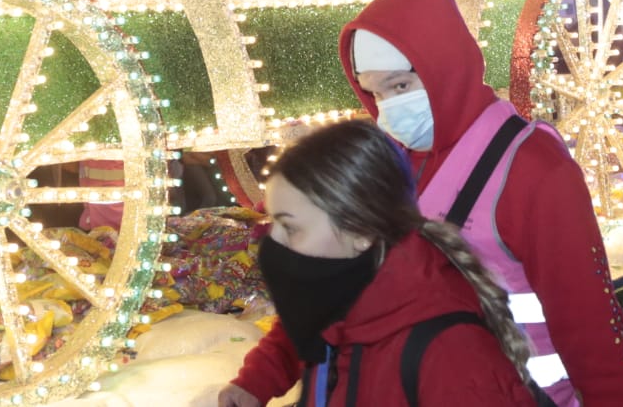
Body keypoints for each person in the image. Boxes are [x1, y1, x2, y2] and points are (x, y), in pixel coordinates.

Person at [229, 0, 623, 406]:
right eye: (372, 92)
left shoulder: (534, 170)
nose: (386, 108)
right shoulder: (380, 163)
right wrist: (258, 378)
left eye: (399, 87)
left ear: (443, 66)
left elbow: (591, 330)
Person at [218, 120, 543, 407]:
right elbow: (304, 329)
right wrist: (255, 381)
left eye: (290, 227)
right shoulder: (344, 288)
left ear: (361, 231)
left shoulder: (451, 356)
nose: (274, 242)